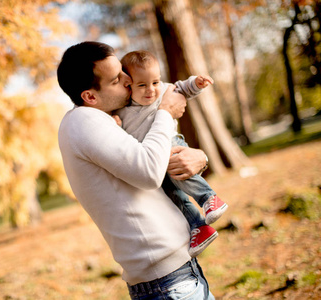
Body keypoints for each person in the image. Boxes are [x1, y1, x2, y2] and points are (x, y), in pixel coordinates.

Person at [57, 41, 215, 299]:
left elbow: (153, 155)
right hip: (166, 283)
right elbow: (149, 172)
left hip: (176, 273)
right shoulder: (83, 122)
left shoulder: (105, 120)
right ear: (90, 96)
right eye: (117, 79)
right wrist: (166, 113)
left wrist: (199, 157)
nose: (129, 80)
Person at [114, 50, 228, 258]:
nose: (151, 90)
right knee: (171, 194)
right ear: (128, 84)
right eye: (142, 85)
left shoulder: (164, 90)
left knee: (180, 172)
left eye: (155, 82)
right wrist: (113, 120)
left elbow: (182, 88)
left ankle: (209, 198)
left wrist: (197, 83)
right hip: (153, 160)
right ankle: (199, 227)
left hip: (170, 145)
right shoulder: (122, 108)